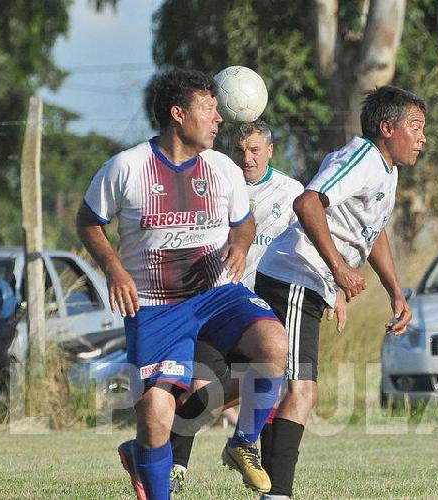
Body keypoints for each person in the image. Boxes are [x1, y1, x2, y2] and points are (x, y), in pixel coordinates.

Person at [76, 69, 289, 500]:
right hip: (155, 305)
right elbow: (88, 222)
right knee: (156, 412)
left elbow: (243, 224)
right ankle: (150, 470)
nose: (218, 119)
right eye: (209, 109)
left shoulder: (222, 170)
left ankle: (243, 441)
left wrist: (242, 247)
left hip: (216, 294)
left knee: (274, 344)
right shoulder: (126, 167)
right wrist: (116, 270)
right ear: (178, 114)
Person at [251, 85, 428, 500]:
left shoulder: (387, 170)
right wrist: (340, 269)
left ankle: (265, 482)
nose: (423, 138)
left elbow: (373, 231)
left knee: (280, 385)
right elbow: (308, 202)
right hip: (295, 274)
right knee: (301, 389)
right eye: (415, 127)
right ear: (387, 128)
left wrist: (395, 291)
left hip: (307, 281)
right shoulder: (363, 157)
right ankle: (276, 493)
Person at [165, 120, 348, 493]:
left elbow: (313, 242)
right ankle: (175, 467)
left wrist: (335, 290)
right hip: (219, 303)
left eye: (253, 151)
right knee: (206, 387)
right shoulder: (214, 184)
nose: (246, 158)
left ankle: (263, 474)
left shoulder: (291, 192)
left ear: (269, 151)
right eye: (239, 151)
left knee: (273, 385)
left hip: (271, 304)